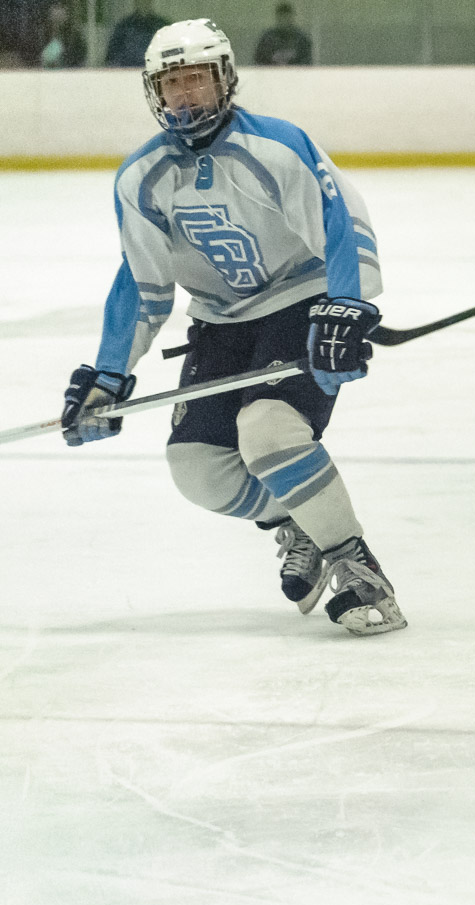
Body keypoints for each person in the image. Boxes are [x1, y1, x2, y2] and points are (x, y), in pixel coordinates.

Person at [61, 18, 406, 636]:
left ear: (225, 80)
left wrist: (348, 305)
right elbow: (141, 281)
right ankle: (298, 519)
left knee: (268, 429)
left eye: (198, 79)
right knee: (198, 468)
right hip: (220, 322)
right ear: (154, 92)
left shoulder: (275, 145)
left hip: (301, 303)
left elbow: (340, 221)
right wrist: (109, 375)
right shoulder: (141, 177)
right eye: (173, 84)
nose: (186, 95)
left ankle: (355, 566)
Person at [104, 0, 169, 67]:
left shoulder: (162, 26)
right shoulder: (124, 26)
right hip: (127, 72)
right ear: (135, 2)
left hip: (156, 71)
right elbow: (112, 57)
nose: (143, 2)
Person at [253, 1, 311, 66]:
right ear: (277, 18)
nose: (284, 21)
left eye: (287, 17)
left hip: (295, 75)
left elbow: (306, 64)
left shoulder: (301, 39)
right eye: (282, 17)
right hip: (271, 74)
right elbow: (259, 62)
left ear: (291, 18)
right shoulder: (267, 39)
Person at [38, 1, 86, 68]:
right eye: (55, 7)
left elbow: (79, 59)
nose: (58, 12)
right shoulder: (41, 32)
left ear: (67, 12)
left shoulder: (75, 35)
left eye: (61, 7)